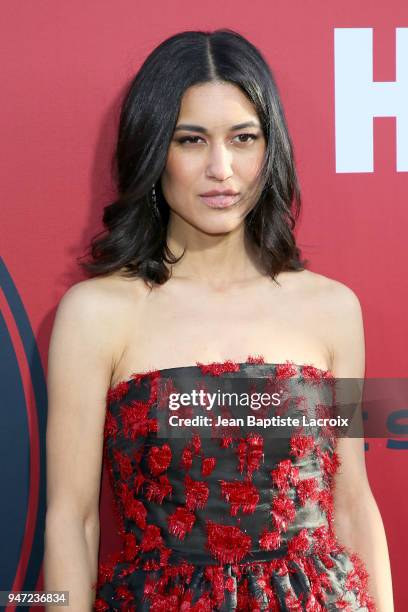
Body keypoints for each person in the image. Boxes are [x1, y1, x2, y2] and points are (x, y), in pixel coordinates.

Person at [44, 29, 394, 611]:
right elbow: (72, 521)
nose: (221, 168)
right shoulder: (95, 315)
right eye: (191, 140)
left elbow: (352, 499)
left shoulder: (334, 309)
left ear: (270, 147)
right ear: (154, 147)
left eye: (243, 138)